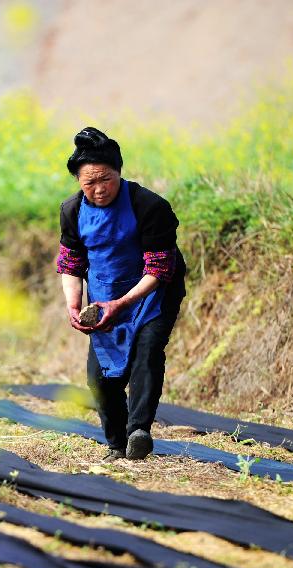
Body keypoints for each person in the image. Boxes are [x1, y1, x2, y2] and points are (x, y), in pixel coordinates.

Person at [56, 127, 186, 461]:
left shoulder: (149, 206)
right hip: (104, 296)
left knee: (147, 351)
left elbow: (159, 267)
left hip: (152, 292)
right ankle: (116, 443)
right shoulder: (72, 211)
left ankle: (139, 431)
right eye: (89, 183)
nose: (99, 189)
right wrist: (74, 304)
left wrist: (123, 303)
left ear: (119, 172)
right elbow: (71, 263)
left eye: (106, 179)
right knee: (99, 378)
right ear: (78, 183)